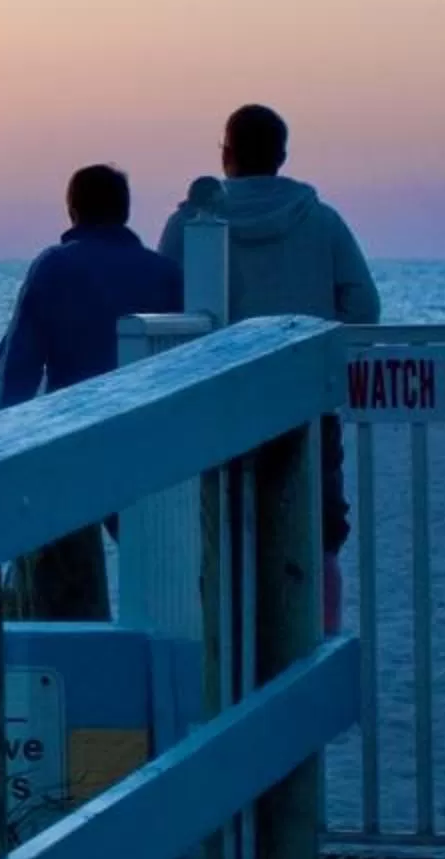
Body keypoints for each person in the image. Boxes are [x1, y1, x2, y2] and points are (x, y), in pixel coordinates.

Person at [158, 103, 382, 632]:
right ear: (282, 156)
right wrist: (321, 354)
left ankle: (226, 645)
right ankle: (317, 641)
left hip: (214, 402)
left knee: (218, 531)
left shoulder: (191, 223)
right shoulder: (322, 222)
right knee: (317, 531)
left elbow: (164, 305)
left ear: (226, 154)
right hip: (303, 400)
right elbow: (363, 308)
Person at [0, 165, 184, 619]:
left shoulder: (55, 266)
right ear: (125, 211)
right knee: (158, 571)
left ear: (72, 210)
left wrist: (2, 434)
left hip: (73, 442)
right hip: (148, 444)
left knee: (63, 587)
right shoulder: (165, 274)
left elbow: (17, 366)